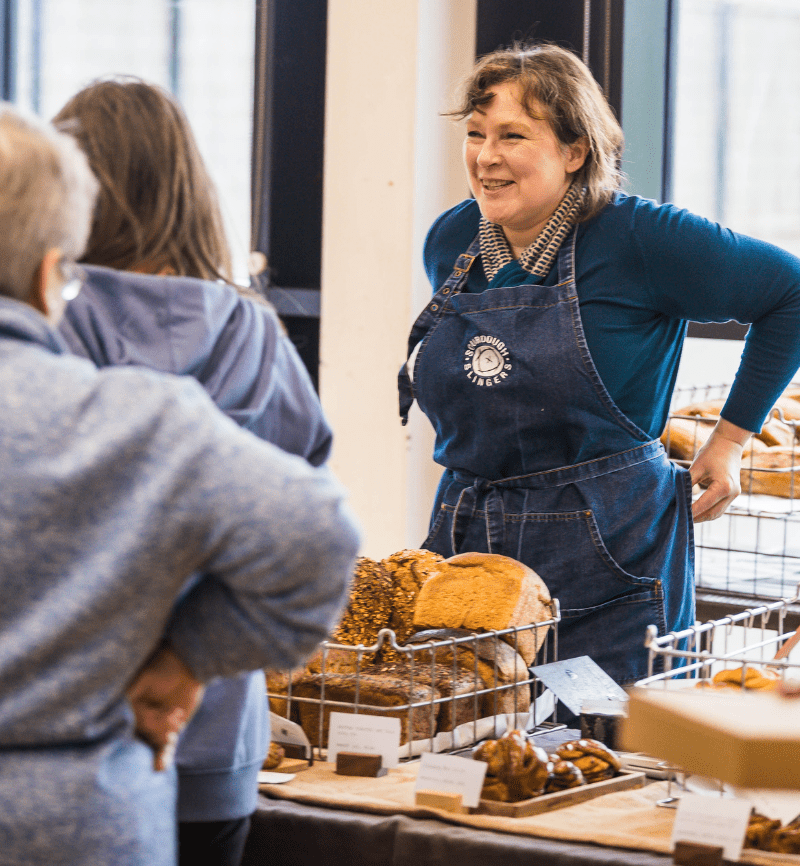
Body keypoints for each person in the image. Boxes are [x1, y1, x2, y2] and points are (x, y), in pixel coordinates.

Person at [0, 104, 360, 866]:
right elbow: (316, 534)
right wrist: (185, 657)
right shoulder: (168, 405)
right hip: (107, 800)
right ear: (48, 273)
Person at [399, 43, 800, 687]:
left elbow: (791, 293)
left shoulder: (642, 239)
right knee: (461, 736)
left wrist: (729, 441)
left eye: (512, 135)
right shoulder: (451, 241)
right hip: (470, 544)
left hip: (610, 548)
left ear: (575, 150)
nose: (486, 157)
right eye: (475, 134)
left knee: (608, 749)